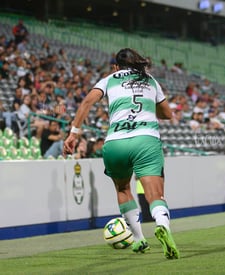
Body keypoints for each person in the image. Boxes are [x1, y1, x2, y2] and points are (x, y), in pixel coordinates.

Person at [63, 48, 180, 259]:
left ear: (116, 67)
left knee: (123, 188)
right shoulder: (150, 80)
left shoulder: (109, 79)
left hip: (115, 141)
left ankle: (138, 239)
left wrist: (73, 134)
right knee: (155, 194)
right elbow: (167, 114)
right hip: (146, 140)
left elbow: (87, 102)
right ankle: (163, 226)